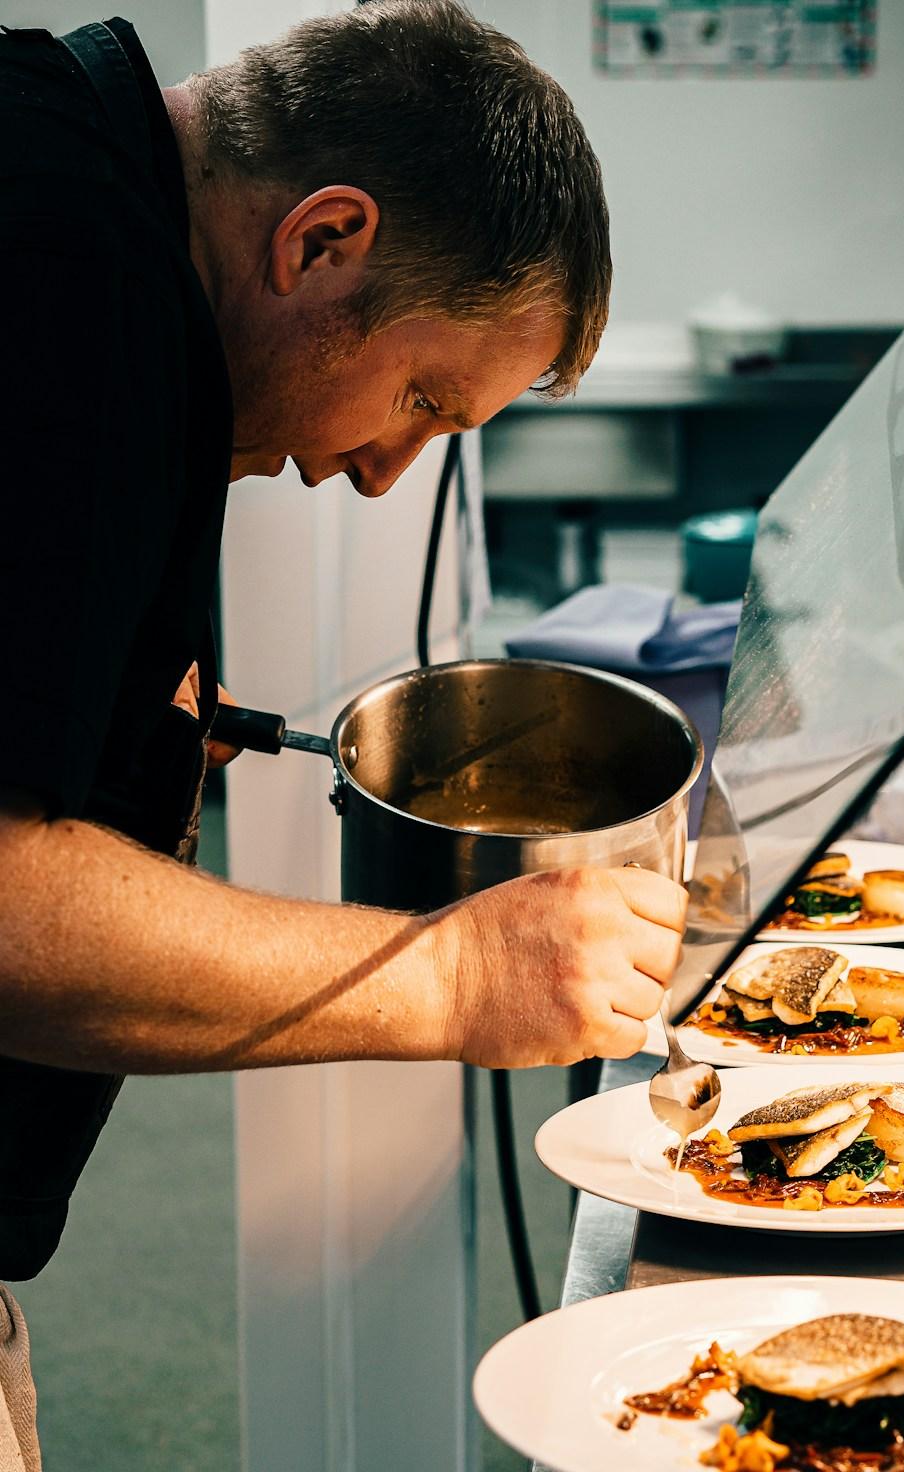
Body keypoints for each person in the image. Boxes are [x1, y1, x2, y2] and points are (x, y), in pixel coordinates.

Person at [0, 5, 687, 1466]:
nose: (385, 473)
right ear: (323, 240)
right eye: (424, 400)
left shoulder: (62, 150)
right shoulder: (69, 277)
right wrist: (456, 975)